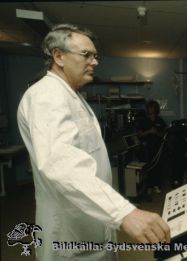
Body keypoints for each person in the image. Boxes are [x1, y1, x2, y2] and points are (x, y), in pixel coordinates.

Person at [17, 24, 170, 260]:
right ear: (58, 56)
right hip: (70, 228)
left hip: (93, 220)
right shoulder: (46, 95)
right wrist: (124, 212)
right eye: (86, 55)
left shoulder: (72, 96)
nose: (95, 62)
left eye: (95, 56)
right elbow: (60, 162)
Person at [136, 100, 166, 194]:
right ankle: (148, 186)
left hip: (158, 148)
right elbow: (139, 135)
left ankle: (156, 186)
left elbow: (164, 134)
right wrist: (149, 131)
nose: (151, 109)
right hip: (146, 148)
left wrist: (157, 133)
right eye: (149, 107)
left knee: (158, 167)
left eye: (153, 107)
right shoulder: (143, 120)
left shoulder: (160, 120)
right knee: (148, 167)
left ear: (156, 108)